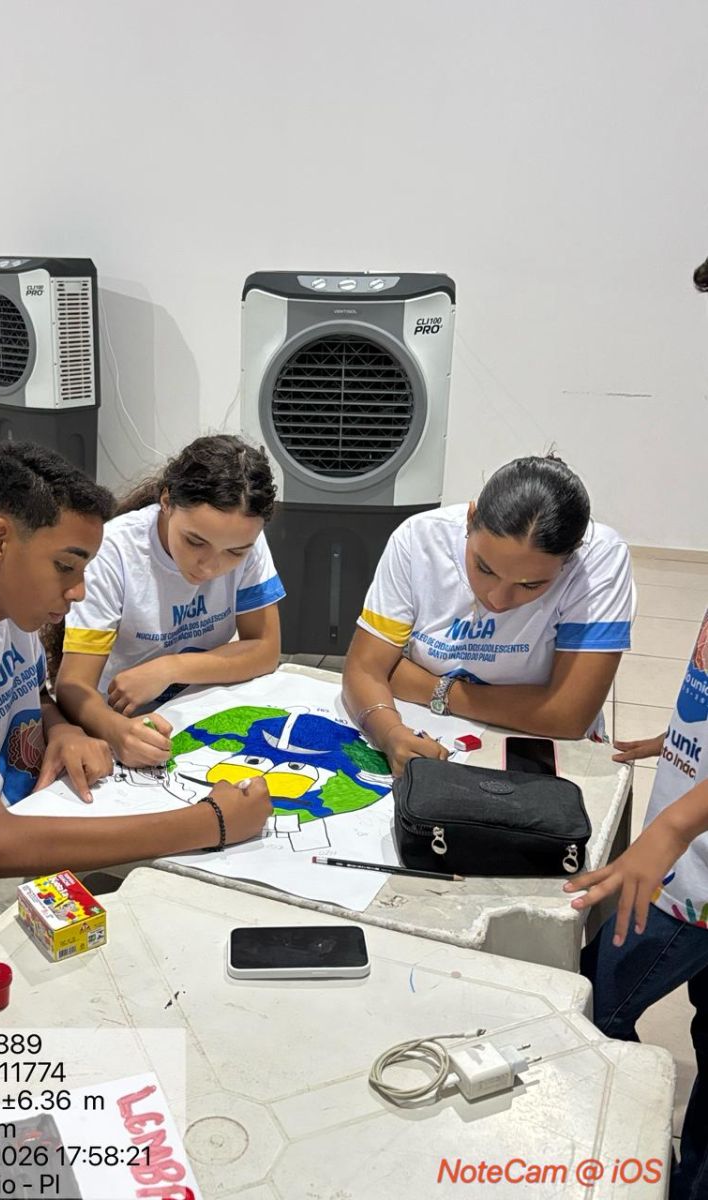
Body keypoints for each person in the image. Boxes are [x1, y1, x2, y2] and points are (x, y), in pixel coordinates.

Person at [0, 442, 271, 927]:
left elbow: (36, 694)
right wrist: (210, 823)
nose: (80, 591)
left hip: (44, 809)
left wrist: (62, 728)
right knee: (193, 895)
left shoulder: (6, 605)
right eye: (66, 567)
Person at [567, 255, 708, 1200]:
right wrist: (683, 736)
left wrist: (673, 824)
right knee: (610, 1000)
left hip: (687, 861)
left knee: (599, 1004)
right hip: (684, 848)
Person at [342, 454, 633, 774]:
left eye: (531, 585)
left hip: (540, 749)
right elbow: (365, 669)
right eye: (484, 568)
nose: (497, 599)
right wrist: (390, 733)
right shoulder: (420, 538)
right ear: (471, 519)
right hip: (433, 730)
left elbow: (568, 715)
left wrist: (436, 690)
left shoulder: (599, 558)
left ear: (572, 555)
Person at [54, 435, 285, 768]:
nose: (209, 567)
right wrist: (117, 731)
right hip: (121, 717)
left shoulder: (247, 537)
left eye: (235, 553)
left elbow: (266, 649)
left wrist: (170, 668)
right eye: (195, 542)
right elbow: (73, 685)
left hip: (199, 707)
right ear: (166, 501)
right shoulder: (113, 553)